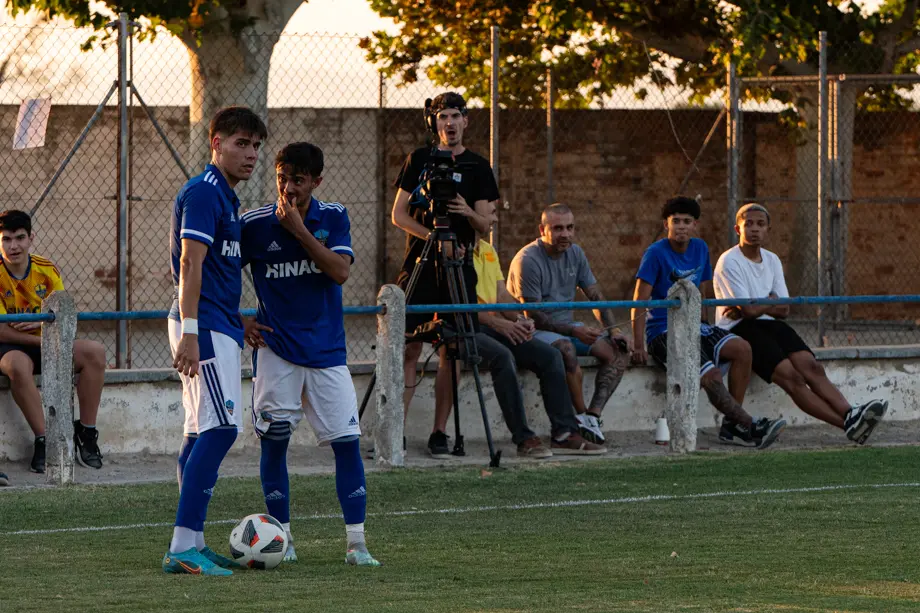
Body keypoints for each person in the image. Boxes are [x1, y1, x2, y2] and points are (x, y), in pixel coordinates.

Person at [240, 142, 380, 567]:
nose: (288, 189)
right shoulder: (254, 224)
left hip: (326, 354)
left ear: (316, 181)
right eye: (282, 178)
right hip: (276, 352)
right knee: (275, 443)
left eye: (298, 181)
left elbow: (339, 272)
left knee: (346, 444)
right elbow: (219, 274)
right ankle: (282, 539)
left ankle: (356, 544)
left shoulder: (332, 216)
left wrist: (299, 229)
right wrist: (238, 319)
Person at [163, 106, 267, 577]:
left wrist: (237, 317)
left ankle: (195, 544)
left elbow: (218, 271)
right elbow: (190, 263)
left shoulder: (227, 197)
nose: (251, 154)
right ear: (216, 143)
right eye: (241, 143)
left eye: (256, 146)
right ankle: (182, 545)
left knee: (199, 431)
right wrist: (190, 331)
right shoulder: (205, 193)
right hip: (201, 327)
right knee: (223, 429)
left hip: (216, 323)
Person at [713, 203, 887, 444]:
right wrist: (765, 303)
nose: (754, 229)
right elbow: (750, 311)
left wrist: (757, 306)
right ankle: (847, 424)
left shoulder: (772, 260)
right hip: (738, 328)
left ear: (768, 229)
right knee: (792, 378)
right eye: (748, 224)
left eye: (760, 224)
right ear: (737, 229)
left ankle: (851, 412)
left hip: (768, 323)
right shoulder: (729, 261)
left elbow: (783, 308)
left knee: (812, 368)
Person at [391, 91, 498, 457]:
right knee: (408, 344)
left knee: (452, 350)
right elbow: (399, 215)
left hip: (459, 264)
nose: (449, 124)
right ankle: (395, 429)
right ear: (433, 122)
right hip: (420, 263)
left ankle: (440, 432)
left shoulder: (479, 167)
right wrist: (434, 237)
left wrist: (466, 211)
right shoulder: (418, 159)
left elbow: (485, 225)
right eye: (442, 117)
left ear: (466, 120)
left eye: (455, 116)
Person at [631, 196, 786, 449]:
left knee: (742, 348)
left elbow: (701, 291)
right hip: (663, 329)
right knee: (711, 374)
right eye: (676, 221)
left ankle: (732, 425)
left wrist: (706, 325)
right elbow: (639, 300)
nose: (681, 226)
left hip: (695, 325)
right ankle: (749, 424)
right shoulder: (655, 253)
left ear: (695, 225)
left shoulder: (700, 248)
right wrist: (639, 344)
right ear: (666, 224)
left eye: (687, 222)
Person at [506, 203, 630, 446]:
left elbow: (595, 296)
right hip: (533, 330)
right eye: (558, 228)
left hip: (567, 327)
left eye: (570, 227)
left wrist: (613, 330)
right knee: (566, 348)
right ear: (542, 230)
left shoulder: (576, 253)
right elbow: (534, 314)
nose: (566, 234)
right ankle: (580, 419)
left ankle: (593, 416)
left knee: (619, 351)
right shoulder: (528, 259)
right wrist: (575, 330)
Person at [472, 236, 607, 456]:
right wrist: (501, 323)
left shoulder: (487, 248)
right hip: (470, 327)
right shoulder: (452, 249)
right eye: (490, 211)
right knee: (503, 356)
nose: (494, 217)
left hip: (496, 325)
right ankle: (524, 438)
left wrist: (519, 319)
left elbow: (502, 294)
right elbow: (459, 303)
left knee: (551, 356)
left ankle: (564, 434)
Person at [0, 210, 106, 474]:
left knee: (95, 352)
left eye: (20, 238)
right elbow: (1, 331)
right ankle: (44, 440)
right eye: (6, 239)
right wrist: (43, 338)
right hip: (14, 346)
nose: (13, 246)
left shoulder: (46, 270)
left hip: (47, 341)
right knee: (16, 365)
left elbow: (64, 316)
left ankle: (87, 433)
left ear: (31, 238)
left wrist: (42, 323)